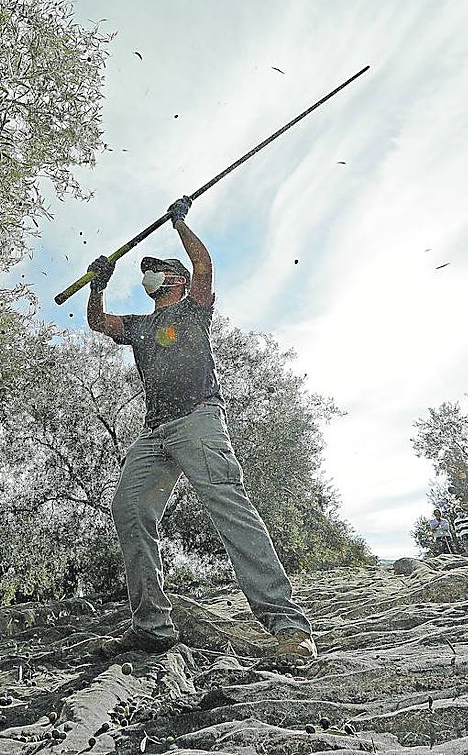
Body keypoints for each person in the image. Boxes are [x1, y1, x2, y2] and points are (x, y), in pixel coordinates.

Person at [86, 196, 317, 666]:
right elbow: (97, 321)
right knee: (128, 510)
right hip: (155, 432)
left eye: (159, 268)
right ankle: (151, 627)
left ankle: (288, 625)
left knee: (228, 506)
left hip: (199, 418)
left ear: (177, 280)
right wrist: (98, 286)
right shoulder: (140, 326)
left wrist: (179, 224)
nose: (149, 274)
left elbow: (204, 262)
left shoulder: (194, 308)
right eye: (146, 270)